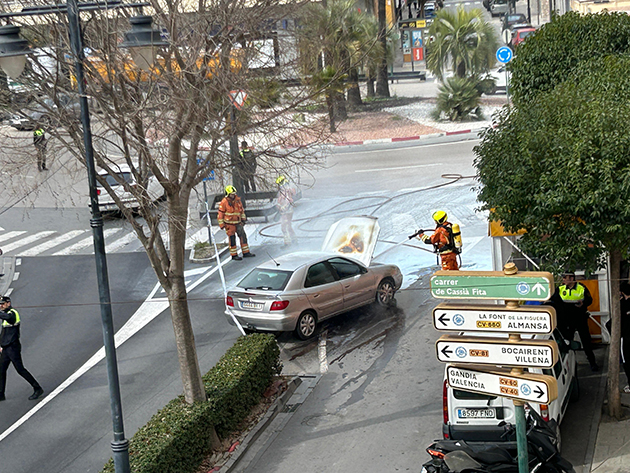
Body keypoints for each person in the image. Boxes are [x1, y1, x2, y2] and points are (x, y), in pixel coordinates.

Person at [0, 296, 43, 401]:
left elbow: (9, 318)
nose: (1, 306)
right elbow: (4, 333)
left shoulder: (13, 313)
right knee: (1, 370)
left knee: (20, 370)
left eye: (2, 304)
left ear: (8, 303)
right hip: (6, 348)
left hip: (13, 347)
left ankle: (37, 388)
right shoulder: (5, 315)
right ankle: (1, 394)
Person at [558, 272, 599, 371]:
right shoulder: (561, 289)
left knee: (586, 342)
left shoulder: (581, 288)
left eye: (565, 278)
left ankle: (592, 363)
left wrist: (583, 303)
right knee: (567, 343)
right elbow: (555, 300)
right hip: (567, 321)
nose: (563, 280)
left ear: (572, 279)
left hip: (580, 319)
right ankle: (566, 366)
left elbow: (589, 300)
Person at [217, 186, 255, 261]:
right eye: (231, 194)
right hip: (229, 224)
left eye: (234, 194)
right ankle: (234, 255)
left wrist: (243, 219)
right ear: (228, 194)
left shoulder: (237, 200)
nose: (233, 195)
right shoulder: (224, 202)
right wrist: (222, 225)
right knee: (232, 239)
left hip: (238, 223)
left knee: (243, 236)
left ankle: (246, 252)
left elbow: (241, 210)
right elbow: (220, 214)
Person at [276, 176, 297, 246]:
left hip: (287, 211)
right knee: (286, 227)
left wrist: (283, 207)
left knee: (286, 226)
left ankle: (289, 242)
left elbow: (289, 200)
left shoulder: (287, 191)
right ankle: (291, 241)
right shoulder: (282, 192)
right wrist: (279, 206)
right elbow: (280, 201)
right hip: (284, 211)